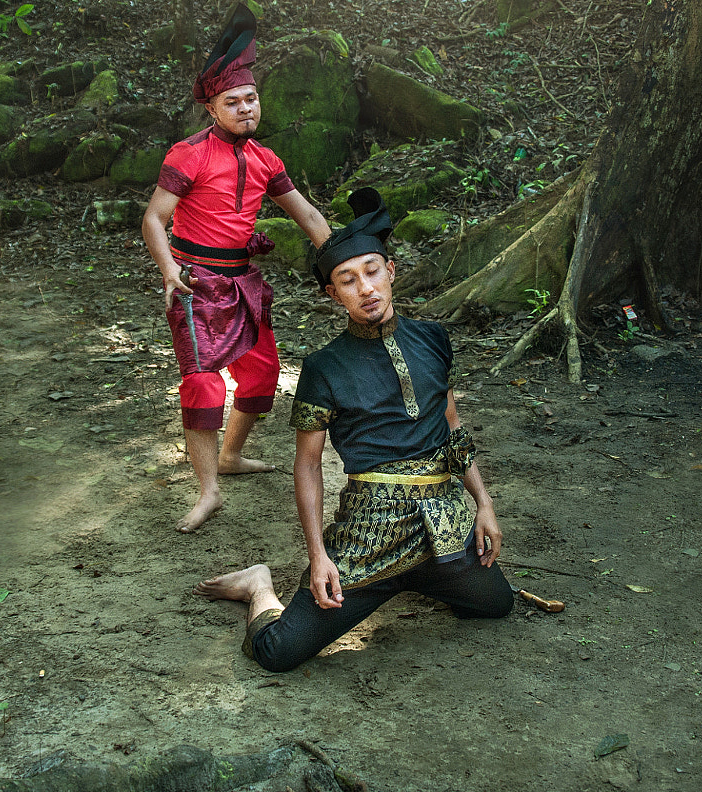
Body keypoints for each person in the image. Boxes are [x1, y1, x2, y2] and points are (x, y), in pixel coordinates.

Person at [196, 189, 514, 671]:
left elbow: (451, 425)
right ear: (333, 294)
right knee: (279, 653)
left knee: (496, 605)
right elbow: (307, 466)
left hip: (444, 528)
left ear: (391, 271)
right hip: (369, 536)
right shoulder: (324, 368)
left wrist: (484, 504)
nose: (365, 288)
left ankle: (425, 578)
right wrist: (319, 556)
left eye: (371, 271)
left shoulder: (432, 339)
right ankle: (258, 585)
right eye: (347, 280)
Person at [142, 3, 332, 533]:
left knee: (262, 374)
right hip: (197, 283)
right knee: (202, 385)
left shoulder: (268, 158)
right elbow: (154, 220)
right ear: (212, 109)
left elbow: (310, 216)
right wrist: (167, 271)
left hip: (245, 282)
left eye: (251, 98)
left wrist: (346, 263)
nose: (246, 108)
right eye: (234, 101)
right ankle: (208, 491)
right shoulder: (189, 155)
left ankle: (230, 454)